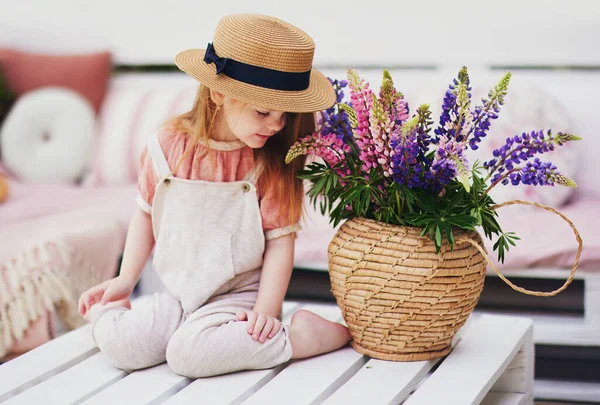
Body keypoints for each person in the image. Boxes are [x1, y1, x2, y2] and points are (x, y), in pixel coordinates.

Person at [78, 13, 351, 378]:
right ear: (219, 93)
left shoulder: (265, 163)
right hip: (178, 295)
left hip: (238, 299)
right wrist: (126, 279)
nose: (276, 125)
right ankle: (106, 317)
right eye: (264, 111)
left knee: (188, 357)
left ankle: (302, 336)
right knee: (124, 347)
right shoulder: (166, 146)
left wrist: (266, 312)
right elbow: (145, 213)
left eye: (285, 115)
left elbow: (280, 244)